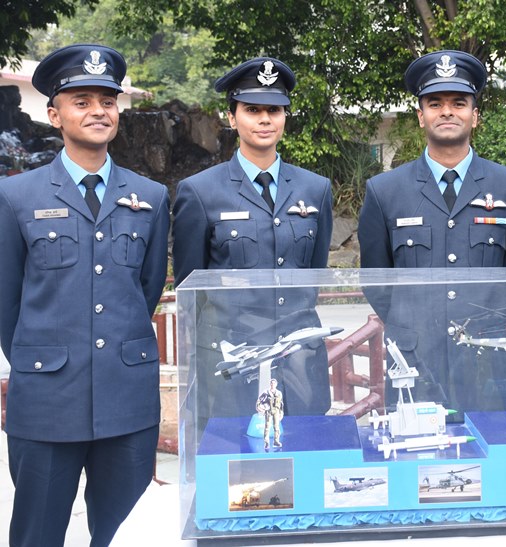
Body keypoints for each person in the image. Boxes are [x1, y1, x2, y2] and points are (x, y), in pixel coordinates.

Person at [0, 44, 170, 546]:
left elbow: (146, 289)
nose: (98, 111)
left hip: (127, 399)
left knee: (125, 535)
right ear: (54, 115)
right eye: (82, 101)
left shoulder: (150, 197)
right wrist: (42, 360)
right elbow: (6, 302)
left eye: (107, 101)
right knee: (37, 534)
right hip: (47, 402)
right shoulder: (15, 196)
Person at [358, 50, 506, 413]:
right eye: (435, 103)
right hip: (415, 358)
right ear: (420, 116)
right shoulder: (385, 191)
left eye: (459, 102)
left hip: (488, 357)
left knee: (494, 444)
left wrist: (488, 321)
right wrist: (413, 321)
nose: (447, 111)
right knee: (414, 446)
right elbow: (376, 280)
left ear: (475, 115)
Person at [172, 57, 333, 423]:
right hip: (230, 361)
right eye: (252, 109)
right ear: (232, 118)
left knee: (305, 449)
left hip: (299, 359)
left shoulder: (315, 189)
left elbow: (313, 274)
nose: (265, 119)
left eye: (274, 110)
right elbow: (190, 288)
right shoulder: (200, 192)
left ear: (285, 116)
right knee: (234, 456)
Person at [256, 378, 285, 448]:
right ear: (270, 384)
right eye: (271, 383)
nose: (272, 384)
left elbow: (281, 404)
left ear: (276, 384)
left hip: (276, 411)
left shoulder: (279, 393)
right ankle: (266, 443)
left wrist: (281, 413)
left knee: (276, 427)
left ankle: (276, 441)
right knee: (267, 427)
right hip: (268, 411)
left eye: (274, 383)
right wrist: (261, 408)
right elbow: (259, 400)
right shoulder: (266, 392)